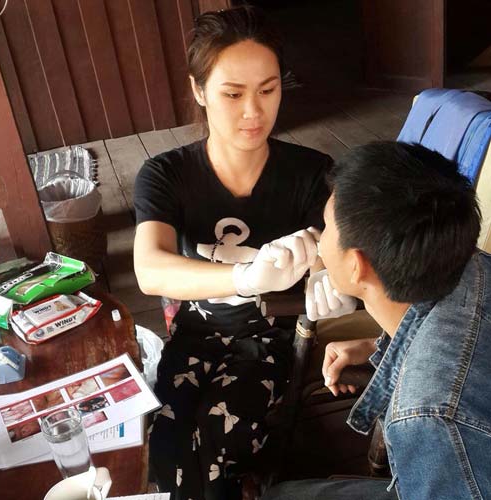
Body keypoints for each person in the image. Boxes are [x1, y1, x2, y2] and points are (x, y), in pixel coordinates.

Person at [133, 6, 351, 499]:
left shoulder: (313, 173)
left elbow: (334, 252)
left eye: (269, 90)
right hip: (195, 332)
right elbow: (150, 269)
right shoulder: (166, 175)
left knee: (219, 440)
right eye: (233, 94)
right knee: (164, 442)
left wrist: (327, 279)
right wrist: (245, 279)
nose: (254, 112)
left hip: (272, 340)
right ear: (198, 90)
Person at [264, 141, 491, 500]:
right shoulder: (471, 262)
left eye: (325, 227)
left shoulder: (427, 419)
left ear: (356, 265)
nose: (319, 245)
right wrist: (379, 346)